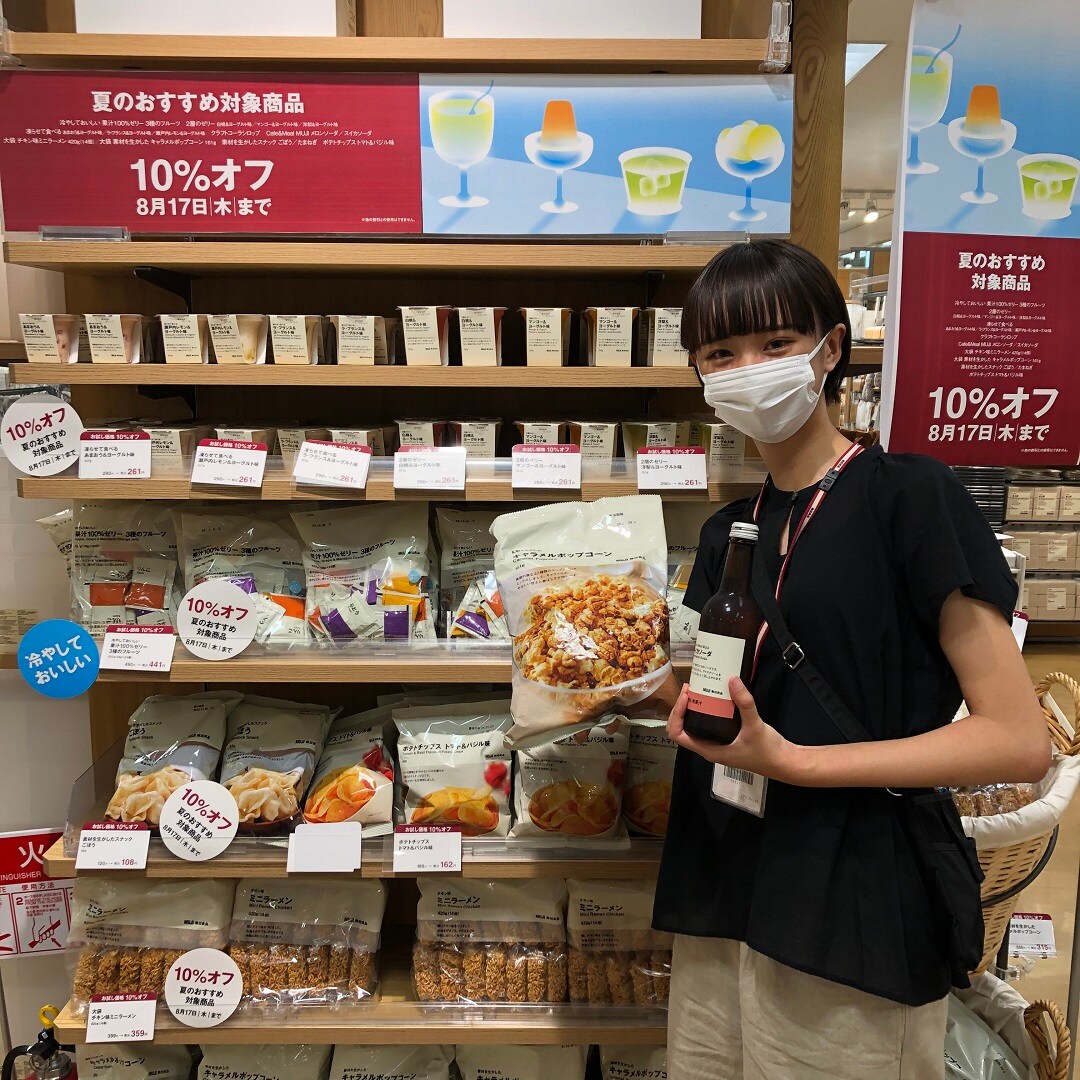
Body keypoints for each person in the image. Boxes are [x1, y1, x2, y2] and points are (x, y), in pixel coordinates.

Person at [652, 239, 1050, 1080]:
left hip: (854, 895)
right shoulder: (728, 532)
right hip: (723, 884)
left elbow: (1017, 740)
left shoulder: (911, 497)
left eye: (775, 344)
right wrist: (614, 684)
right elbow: (718, 701)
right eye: (720, 354)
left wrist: (792, 762)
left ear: (831, 348)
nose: (747, 371)